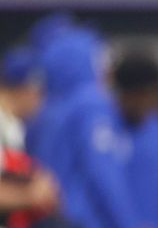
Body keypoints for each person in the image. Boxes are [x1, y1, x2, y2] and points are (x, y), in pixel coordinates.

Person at [30, 25, 139, 228]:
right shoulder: (91, 104)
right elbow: (104, 174)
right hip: (81, 221)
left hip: (48, 218)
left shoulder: (47, 109)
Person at [112, 50, 158, 228]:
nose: (146, 102)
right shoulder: (108, 129)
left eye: (151, 94)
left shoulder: (157, 128)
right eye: (139, 95)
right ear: (123, 93)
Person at [0, 46, 60, 227]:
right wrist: (30, 195)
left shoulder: (14, 126)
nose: (42, 100)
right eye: (40, 92)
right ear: (25, 89)